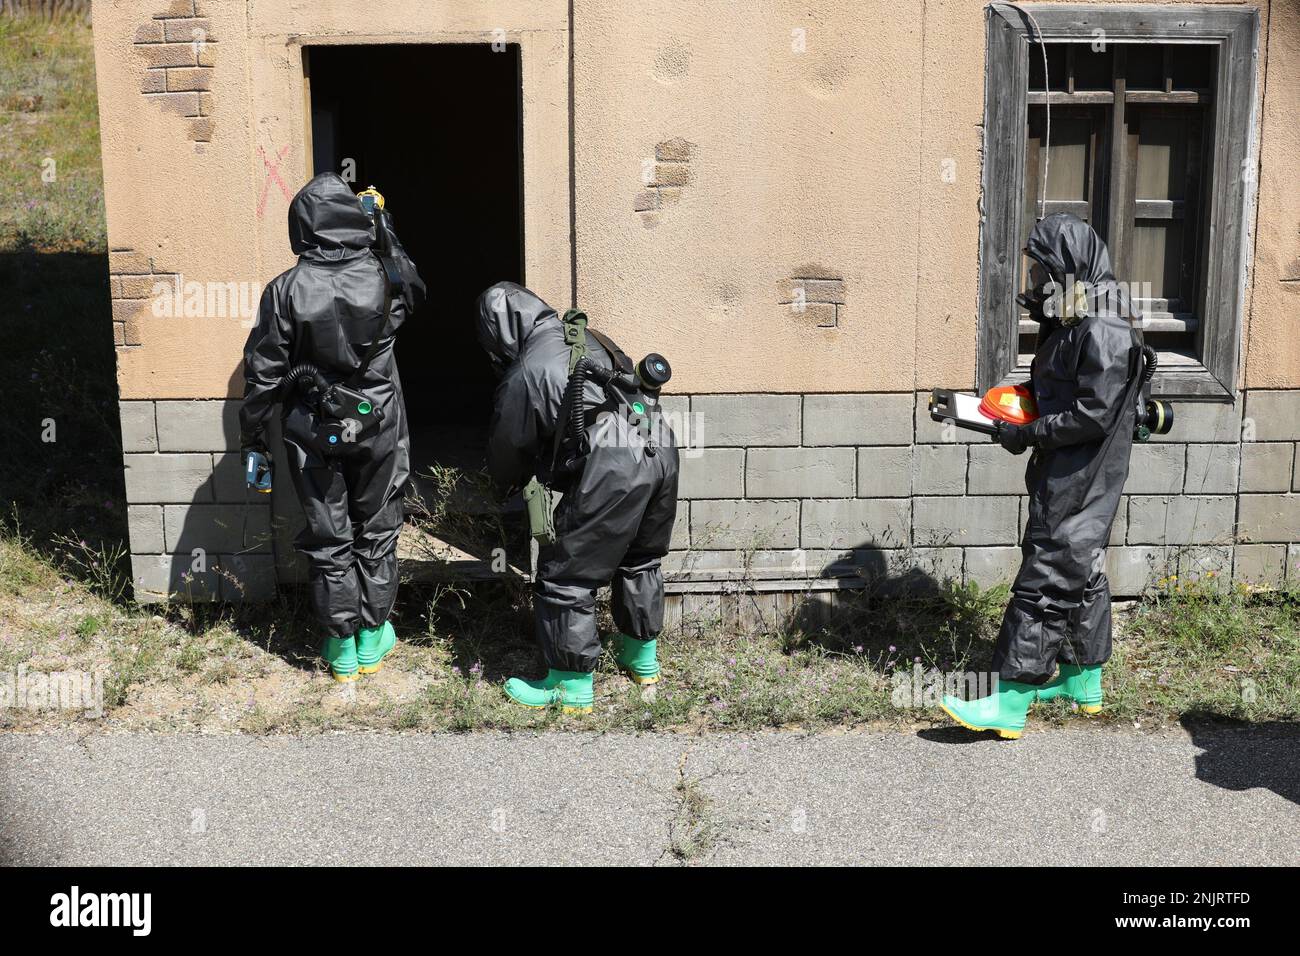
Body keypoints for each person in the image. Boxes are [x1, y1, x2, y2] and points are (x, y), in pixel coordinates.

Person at [942, 213, 1143, 739]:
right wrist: (1015, 414)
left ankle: (1008, 704)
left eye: (1043, 271)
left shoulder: (1103, 326)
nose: (1035, 282)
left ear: (1070, 270)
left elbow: (1094, 414)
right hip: (1070, 466)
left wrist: (1029, 434)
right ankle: (1082, 682)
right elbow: (1068, 395)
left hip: (1082, 473)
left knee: (1048, 574)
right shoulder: (1079, 317)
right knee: (1081, 569)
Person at [240, 172, 426, 682]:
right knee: (379, 526)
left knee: (329, 534)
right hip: (379, 419)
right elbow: (415, 287)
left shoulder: (285, 290)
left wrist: (253, 438)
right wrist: (381, 225)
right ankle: (372, 636)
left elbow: (263, 372)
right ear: (352, 220)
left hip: (311, 427)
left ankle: (341, 647)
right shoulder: (385, 275)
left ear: (300, 226)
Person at [477, 282, 679, 714]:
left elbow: (509, 445)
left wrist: (503, 485)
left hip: (611, 464)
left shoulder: (528, 368)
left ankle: (569, 684)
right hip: (660, 445)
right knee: (640, 558)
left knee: (566, 573)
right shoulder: (590, 337)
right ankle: (641, 660)